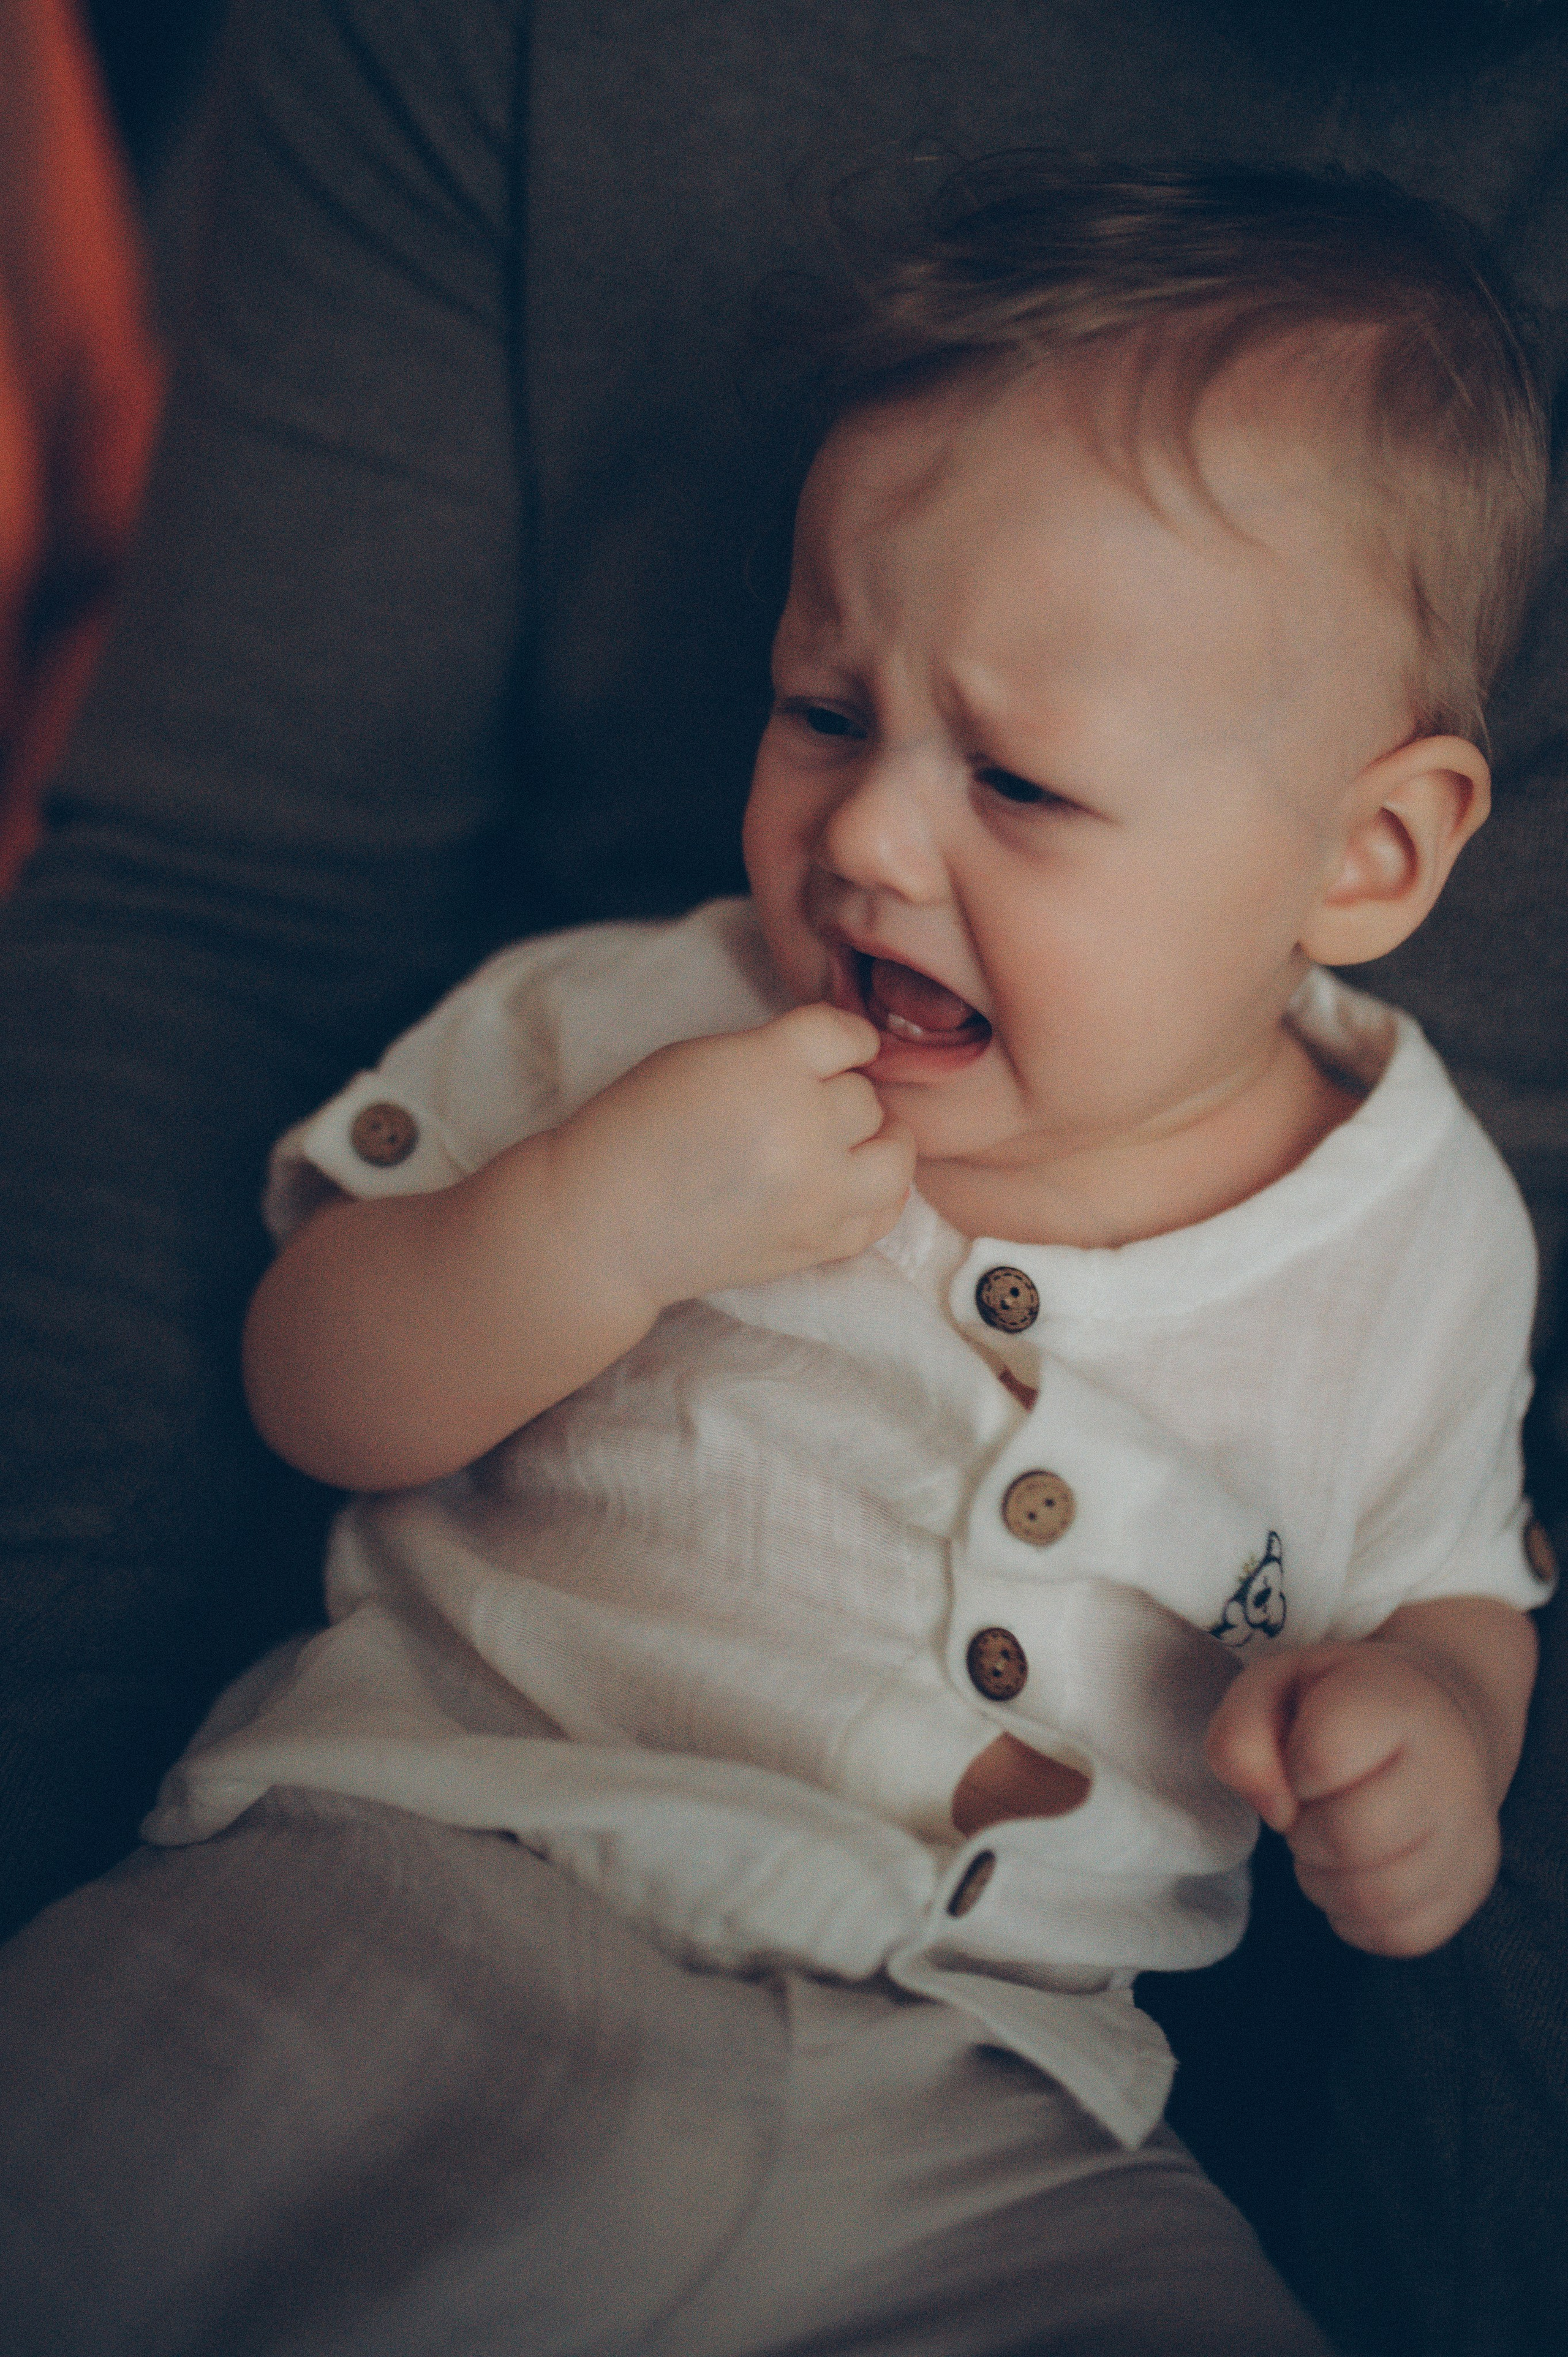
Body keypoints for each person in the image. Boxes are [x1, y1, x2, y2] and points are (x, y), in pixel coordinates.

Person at [1, 159, 1556, 2356]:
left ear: (1368, 854)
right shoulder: (642, 1021)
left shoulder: (1419, 1234)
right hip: (421, 1877)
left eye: (1019, 783)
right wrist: (591, 1221)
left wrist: (1434, 1728)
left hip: (991, 2091)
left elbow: (1456, 1585)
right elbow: (311, 1376)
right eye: (825, 711)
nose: (866, 835)